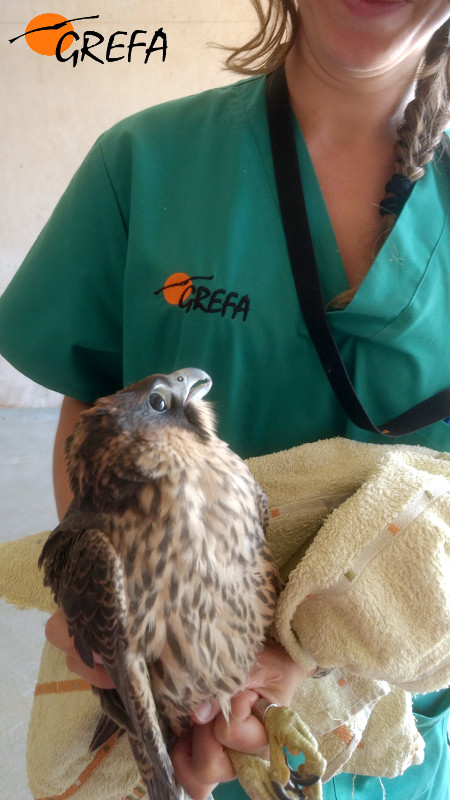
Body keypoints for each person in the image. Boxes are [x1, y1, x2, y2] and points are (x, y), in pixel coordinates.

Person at [0, 1, 449, 798]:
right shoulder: (145, 163)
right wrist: (118, 617)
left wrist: (311, 668)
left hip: (398, 720)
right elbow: (94, 400)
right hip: (183, 706)